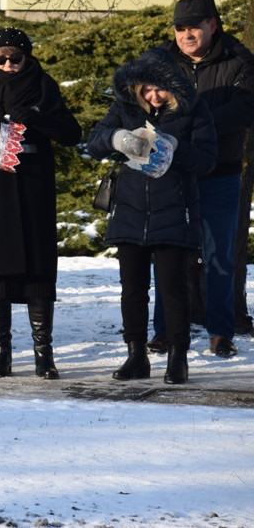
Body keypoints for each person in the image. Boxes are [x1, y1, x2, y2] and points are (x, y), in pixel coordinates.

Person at [0, 28, 82, 379]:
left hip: (33, 184)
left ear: (28, 57)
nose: (8, 66)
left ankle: (43, 351)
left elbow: (72, 133)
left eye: (16, 59)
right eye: (0, 59)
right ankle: (1, 349)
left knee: (38, 265)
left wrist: (39, 118)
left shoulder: (43, 86)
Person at [87, 48, 217, 384]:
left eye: (161, 90)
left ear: (173, 88)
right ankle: (136, 355)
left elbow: (207, 160)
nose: (154, 96)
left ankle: (177, 357)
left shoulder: (194, 110)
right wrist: (116, 138)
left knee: (173, 288)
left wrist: (177, 146)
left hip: (175, 211)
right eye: (147, 89)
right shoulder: (125, 108)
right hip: (129, 211)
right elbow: (94, 141)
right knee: (132, 289)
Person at [148, 0, 254, 359]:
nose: (186, 34)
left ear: (212, 24)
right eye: (180, 28)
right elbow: (139, 101)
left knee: (219, 256)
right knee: (168, 254)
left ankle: (221, 333)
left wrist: (197, 122)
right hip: (171, 173)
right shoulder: (158, 61)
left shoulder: (239, 60)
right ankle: (163, 331)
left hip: (219, 172)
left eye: (194, 26)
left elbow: (245, 108)